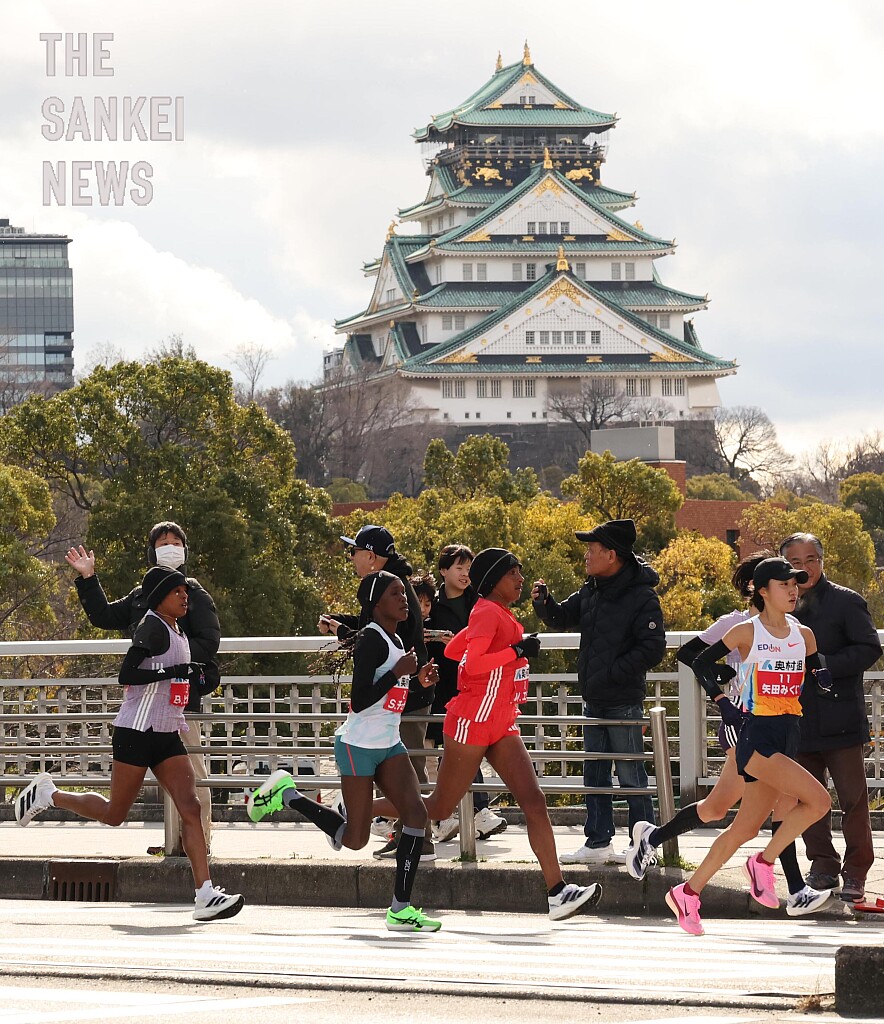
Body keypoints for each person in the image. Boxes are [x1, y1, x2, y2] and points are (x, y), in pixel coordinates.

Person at [371, 547, 603, 921]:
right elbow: (476, 662)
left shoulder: (494, 612)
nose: (521, 579)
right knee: (439, 808)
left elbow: (455, 650)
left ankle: (558, 892)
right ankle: (357, 809)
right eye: (514, 573)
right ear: (494, 579)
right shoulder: (487, 613)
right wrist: (515, 650)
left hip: (501, 721)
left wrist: (495, 643)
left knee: (534, 800)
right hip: (473, 721)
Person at [13, 566, 243, 921]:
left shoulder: (178, 630)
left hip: (166, 733)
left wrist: (198, 674)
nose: (185, 596)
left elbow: (176, 674)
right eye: (177, 591)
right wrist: (173, 672)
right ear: (159, 597)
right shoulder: (152, 626)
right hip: (136, 732)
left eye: (185, 591)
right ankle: (50, 794)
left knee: (191, 807)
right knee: (114, 814)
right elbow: (128, 674)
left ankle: (205, 894)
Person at [626, 552, 835, 918]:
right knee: (808, 802)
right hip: (747, 728)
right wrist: (722, 692)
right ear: (760, 588)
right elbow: (693, 656)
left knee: (729, 816)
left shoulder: (800, 632)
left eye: (794, 583)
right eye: (783, 583)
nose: (792, 590)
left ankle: (683, 884)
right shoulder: (738, 625)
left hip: (785, 731)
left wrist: (820, 676)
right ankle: (783, 880)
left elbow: (812, 660)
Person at [248, 570, 441, 933]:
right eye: (396, 593)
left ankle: (400, 909)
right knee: (355, 839)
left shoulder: (397, 639)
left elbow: (393, 696)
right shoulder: (371, 639)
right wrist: (399, 671)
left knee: (416, 813)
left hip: (389, 743)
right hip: (358, 746)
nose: (405, 599)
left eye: (404, 593)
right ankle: (288, 794)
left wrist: (417, 681)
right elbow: (362, 698)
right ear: (376, 603)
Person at [64, 521, 220, 855]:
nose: (170, 547)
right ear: (152, 552)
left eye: (176, 542)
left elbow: (209, 643)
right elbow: (104, 616)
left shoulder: (193, 593)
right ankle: (176, 843)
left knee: (192, 781)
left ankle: (198, 845)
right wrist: (88, 578)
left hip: (179, 703)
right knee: (145, 795)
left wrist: (171, 660)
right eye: (163, 543)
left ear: (185, 550)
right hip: (142, 709)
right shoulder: (141, 596)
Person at [532, 519, 665, 865]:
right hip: (594, 700)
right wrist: (544, 603)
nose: (586, 556)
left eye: (592, 550)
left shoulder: (641, 595)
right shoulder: (592, 589)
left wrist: (612, 673)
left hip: (624, 702)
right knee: (595, 774)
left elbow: (653, 648)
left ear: (612, 555)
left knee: (631, 776)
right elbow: (562, 617)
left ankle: (644, 846)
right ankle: (597, 842)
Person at [318, 525, 436, 861]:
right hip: (377, 723)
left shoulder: (390, 590)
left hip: (399, 710)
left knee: (414, 791)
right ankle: (396, 831)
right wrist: (342, 626)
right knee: (360, 835)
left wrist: (412, 676)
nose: (351, 558)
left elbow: (387, 648)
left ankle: (414, 840)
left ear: (370, 556)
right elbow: (374, 642)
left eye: (354, 551)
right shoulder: (385, 593)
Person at [780, 532, 882, 903]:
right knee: (806, 800)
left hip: (841, 717)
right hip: (794, 718)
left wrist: (825, 665)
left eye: (811, 560)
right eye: (795, 563)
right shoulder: (779, 604)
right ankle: (822, 866)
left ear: (822, 562)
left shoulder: (846, 601)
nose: (804, 568)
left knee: (853, 800)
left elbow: (869, 648)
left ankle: (856, 873)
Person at [424, 544, 507, 843]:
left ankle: (473, 812)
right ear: (443, 571)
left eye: (468, 569)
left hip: (477, 686)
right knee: (450, 753)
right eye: (458, 567)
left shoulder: (480, 602)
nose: (464, 574)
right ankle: (449, 817)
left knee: (466, 750)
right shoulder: (431, 606)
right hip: (442, 687)